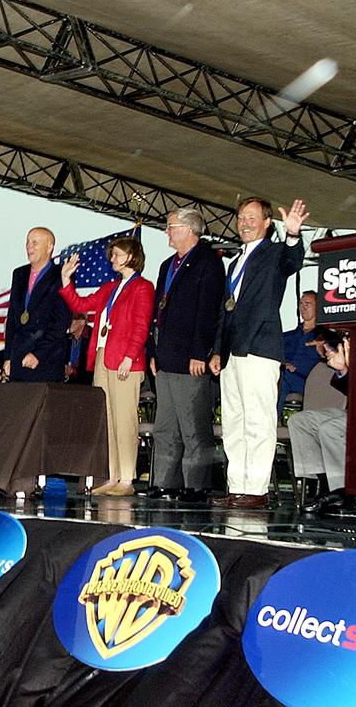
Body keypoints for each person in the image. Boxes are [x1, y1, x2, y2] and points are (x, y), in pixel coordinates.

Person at [209, 196, 309, 509]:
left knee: (258, 421)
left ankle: (256, 489)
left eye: (253, 218)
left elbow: (293, 261)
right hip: (231, 352)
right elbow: (225, 311)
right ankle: (237, 487)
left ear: (267, 223)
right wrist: (216, 351)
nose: (245, 223)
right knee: (234, 422)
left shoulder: (276, 252)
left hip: (260, 347)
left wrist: (292, 234)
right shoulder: (235, 261)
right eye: (241, 218)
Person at [60, 235, 154, 497]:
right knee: (108, 418)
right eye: (112, 254)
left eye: (117, 254)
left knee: (125, 419)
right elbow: (80, 305)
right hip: (103, 356)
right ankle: (113, 475)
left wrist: (130, 355)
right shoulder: (110, 288)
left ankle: (127, 477)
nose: (112, 259)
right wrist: (67, 280)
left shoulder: (142, 288)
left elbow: (141, 325)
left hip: (125, 360)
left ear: (132, 257)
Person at [145, 208, 226, 503]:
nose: (166, 232)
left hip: (190, 358)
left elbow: (208, 311)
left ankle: (197, 486)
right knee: (165, 426)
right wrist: (151, 351)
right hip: (165, 357)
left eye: (171, 227)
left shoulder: (208, 262)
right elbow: (158, 312)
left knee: (194, 426)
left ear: (190, 229)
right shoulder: (168, 265)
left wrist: (199, 352)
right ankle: (166, 482)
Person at [289, 334, 354, 516]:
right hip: (354, 413)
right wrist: (343, 371)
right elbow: (353, 388)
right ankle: (322, 484)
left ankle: (343, 493)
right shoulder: (350, 345)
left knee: (330, 428)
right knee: (299, 421)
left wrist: (346, 369)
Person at [3, 227, 71, 382]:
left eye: (35, 242)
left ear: (49, 247)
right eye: (27, 242)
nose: (29, 246)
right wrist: (8, 356)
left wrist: (38, 354)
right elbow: (12, 319)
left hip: (47, 361)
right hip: (19, 358)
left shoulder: (61, 276)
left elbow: (61, 323)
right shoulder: (19, 274)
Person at [278, 290, 325, 413]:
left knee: (282, 379)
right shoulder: (287, 336)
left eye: (307, 304)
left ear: (317, 307)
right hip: (283, 375)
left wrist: (322, 352)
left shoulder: (324, 337)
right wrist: (283, 364)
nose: (303, 308)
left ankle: (270, 422)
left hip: (308, 382)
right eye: (301, 304)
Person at [64, 315, 93, 385]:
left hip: (87, 384)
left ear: (82, 322)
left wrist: (73, 371)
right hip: (67, 383)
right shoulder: (66, 338)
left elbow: (91, 364)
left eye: (72, 320)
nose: (68, 323)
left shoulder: (91, 337)